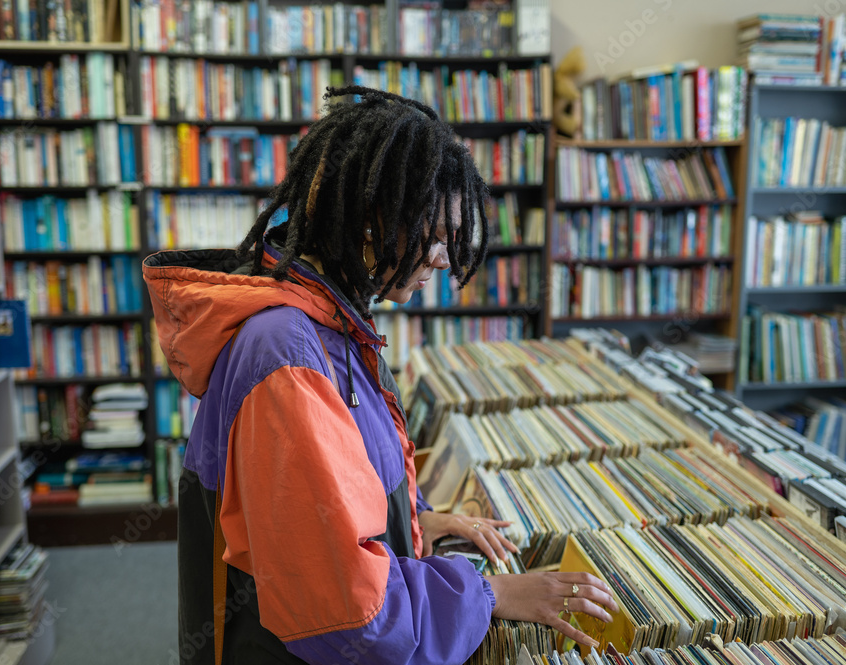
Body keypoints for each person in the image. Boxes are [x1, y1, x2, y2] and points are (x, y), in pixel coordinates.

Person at [143, 86, 617, 665]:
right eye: (436, 236)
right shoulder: (287, 355)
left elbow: (338, 493)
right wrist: (489, 593)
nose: (445, 260)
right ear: (372, 223)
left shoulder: (336, 318)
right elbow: (348, 616)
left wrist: (412, 522)